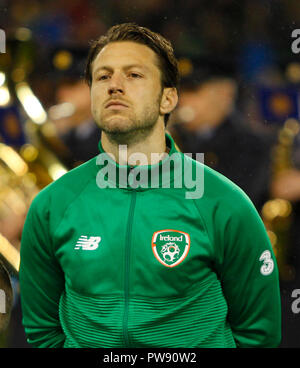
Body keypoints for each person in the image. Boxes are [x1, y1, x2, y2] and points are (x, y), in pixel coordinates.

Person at [19, 23, 281, 348]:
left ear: (168, 98)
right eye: (102, 76)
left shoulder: (223, 202)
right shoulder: (51, 205)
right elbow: (42, 332)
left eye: (133, 75)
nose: (114, 85)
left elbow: (259, 334)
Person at [169, 65, 275, 211]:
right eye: (181, 92)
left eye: (194, 91)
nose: (183, 101)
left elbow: (233, 204)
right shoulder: (175, 137)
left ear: (226, 94)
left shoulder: (251, 145)